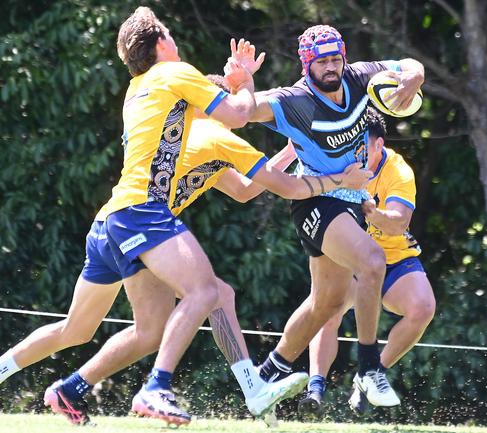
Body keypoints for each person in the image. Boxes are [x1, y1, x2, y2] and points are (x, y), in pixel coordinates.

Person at [0, 7, 370, 426]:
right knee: (205, 293)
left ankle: (67, 387)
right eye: (171, 36)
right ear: (161, 43)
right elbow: (239, 120)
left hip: (113, 220)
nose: (176, 43)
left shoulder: (142, 89)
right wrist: (245, 86)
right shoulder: (201, 114)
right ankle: (159, 388)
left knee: (102, 329)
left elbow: (244, 188)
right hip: (143, 214)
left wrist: (279, 139)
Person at [246, 24, 425, 408]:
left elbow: (408, 64)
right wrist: (242, 82)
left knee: (326, 302)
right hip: (317, 198)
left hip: (350, 200)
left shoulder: (360, 77)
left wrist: (414, 76)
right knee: (373, 260)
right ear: (306, 64)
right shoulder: (295, 100)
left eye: (335, 59)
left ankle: (264, 378)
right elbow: (243, 111)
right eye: (322, 61)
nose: (331, 68)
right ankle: (369, 367)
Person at [297, 107, 436, 417]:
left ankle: (370, 374)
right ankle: (315, 389)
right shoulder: (338, 161)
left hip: (392, 257)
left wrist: (372, 211)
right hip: (348, 260)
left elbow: (399, 223)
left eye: (363, 148)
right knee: (327, 308)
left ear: (379, 145)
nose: (356, 155)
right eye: (352, 147)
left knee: (423, 308)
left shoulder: (399, 172)